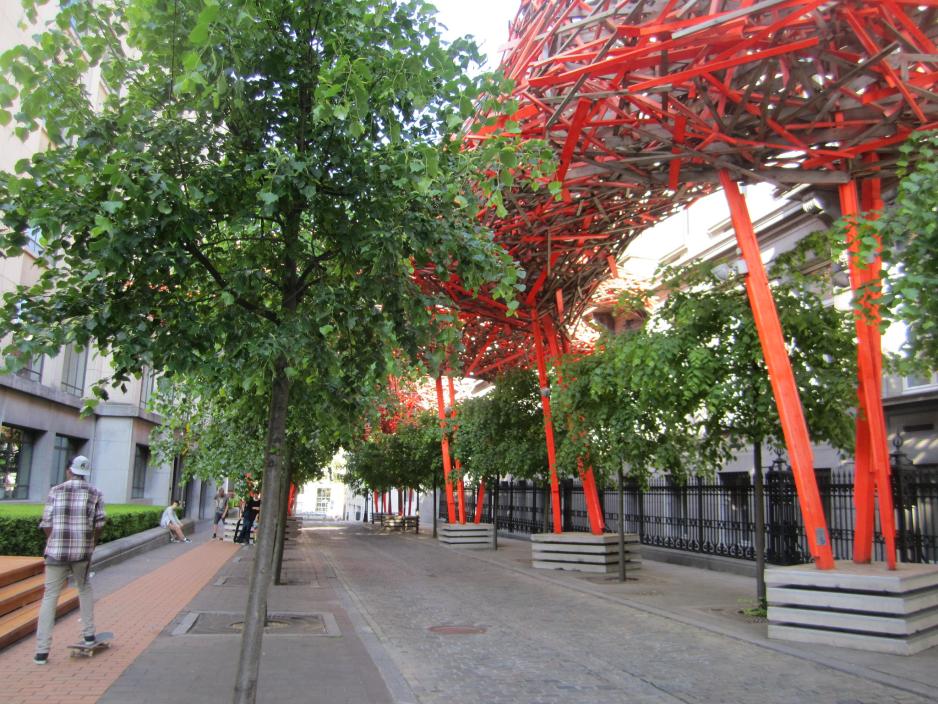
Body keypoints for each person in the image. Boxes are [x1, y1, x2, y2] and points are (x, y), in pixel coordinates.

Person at [34, 455, 106, 665]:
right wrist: (91, 544)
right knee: (84, 588)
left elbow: (46, 522)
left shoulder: (56, 491)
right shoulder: (95, 493)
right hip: (82, 552)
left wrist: (53, 541)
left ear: (69, 470)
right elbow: (100, 523)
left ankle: (41, 651)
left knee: (50, 597)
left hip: (56, 552)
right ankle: (89, 634)